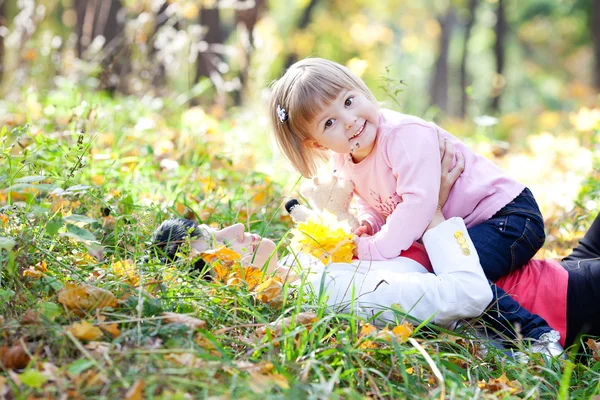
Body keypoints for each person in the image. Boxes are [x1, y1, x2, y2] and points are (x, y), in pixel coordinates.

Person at [268, 57, 551, 342]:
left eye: (349, 101)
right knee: (431, 276)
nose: (349, 120)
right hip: (456, 227)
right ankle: (477, 339)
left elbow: (419, 206)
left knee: (449, 277)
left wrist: (372, 248)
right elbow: (374, 201)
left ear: (361, 90)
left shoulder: (403, 136)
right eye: (329, 122)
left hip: (506, 216)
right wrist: (369, 223)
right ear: (317, 143)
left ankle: (536, 337)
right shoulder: (343, 159)